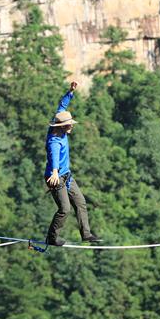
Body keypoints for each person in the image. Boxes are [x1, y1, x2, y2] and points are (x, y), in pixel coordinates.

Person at [44, 81, 102, 246]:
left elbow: (62, 106)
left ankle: (86, 235)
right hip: (55, 178)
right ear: (61, 126)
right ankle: (52, 238)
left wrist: (70, 91)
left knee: (80, 202)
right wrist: (55, 172)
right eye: (69, 124)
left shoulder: (59, 120)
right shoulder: (54, 141)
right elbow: (54, 156)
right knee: (65, 209)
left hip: (66, 175)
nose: (71, 126)